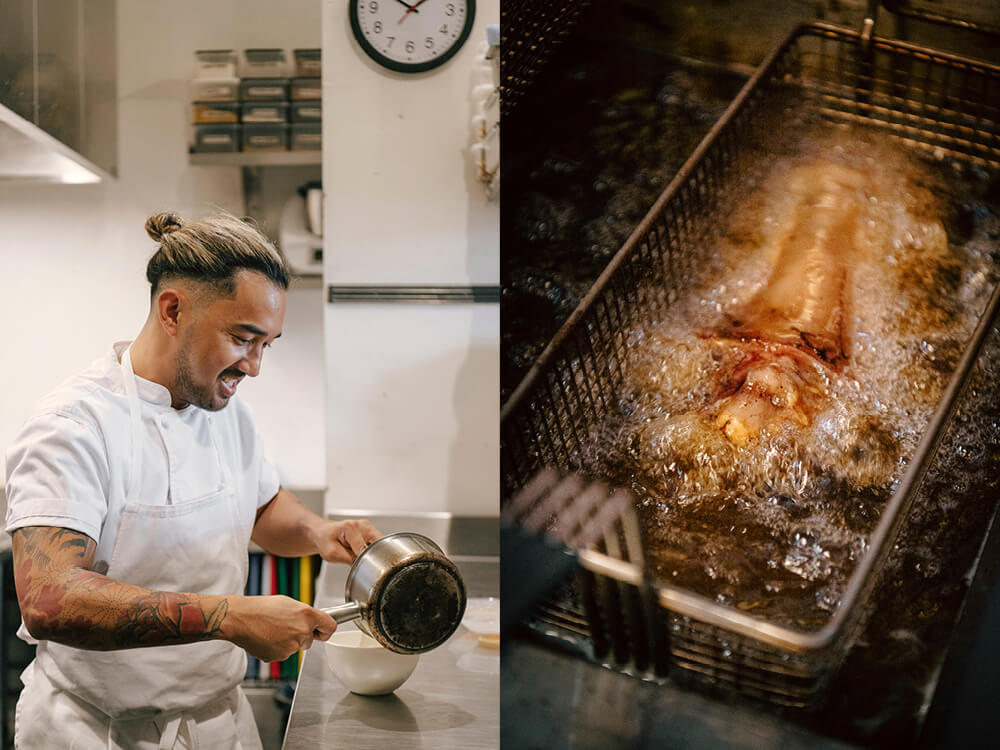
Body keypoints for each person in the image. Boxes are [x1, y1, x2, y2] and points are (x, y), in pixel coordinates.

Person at [4, 211, 381, 749]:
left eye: (266, 344)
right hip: (96, 730)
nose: (254, 366)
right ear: (173, 310)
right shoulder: (73, 426)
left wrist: (319, 532)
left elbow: (260, 506)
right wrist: (229, 617)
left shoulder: (225, 410)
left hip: (220, 723)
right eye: (242, 338)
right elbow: (50, 598)